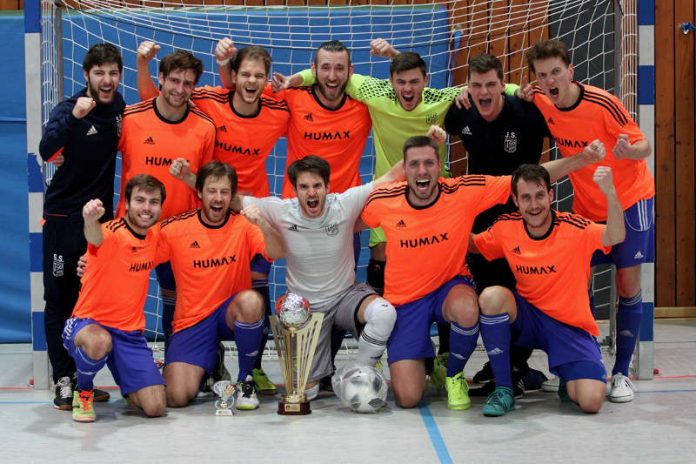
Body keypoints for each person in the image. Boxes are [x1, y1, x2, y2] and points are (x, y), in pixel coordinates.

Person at [138, 42, 288, 393]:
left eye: (259, 76)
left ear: (267, 80)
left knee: (255, 291)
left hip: (251, 211)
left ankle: (252, 370)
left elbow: (313, 102)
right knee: (177, 293)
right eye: (245, 74)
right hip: (210, 205)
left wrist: (295, 79)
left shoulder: (278, 110)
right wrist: (143, 64)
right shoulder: (208, 101)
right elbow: (155, 100)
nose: (252, 81)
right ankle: (203, 357)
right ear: (233, 77)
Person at [519, 39, 654, 402]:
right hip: (586, 205)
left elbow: (646, 146)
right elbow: (515, 91)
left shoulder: (603, 103)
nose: (550, 81)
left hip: (629, 200)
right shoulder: (541, 99)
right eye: (543, 75)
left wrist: (629, 150)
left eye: (556, 73)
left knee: (627, 285)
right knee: (577, 284)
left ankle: (622, 373)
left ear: (571, 72)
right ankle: (584, 360)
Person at [279, 38, 463, 296]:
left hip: (395, 198)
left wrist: (392, 54)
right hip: (346, 199)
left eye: (340, 69)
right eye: (326, 69)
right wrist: (293, 80)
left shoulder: (432, 98)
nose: (333, 76)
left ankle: (411, 326)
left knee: (434, 260)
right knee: (368, 262)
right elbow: (323, 74)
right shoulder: (299, 94)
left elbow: (411, 77)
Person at [360, 136, 511, 409]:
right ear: (403, 170)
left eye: (429, 163)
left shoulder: (462, 191)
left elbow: (524, 180)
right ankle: (428, 359)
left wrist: (582, 159)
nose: (422, 170)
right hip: (404, 302)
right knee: (408, 398)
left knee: (467, 309)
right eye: (414, 164)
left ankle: (454, 375)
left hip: (448, 287)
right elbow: (348, 220)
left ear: (439, 166)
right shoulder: (383, 199)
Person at [432, 52, 551, 395]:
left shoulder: (525, 111)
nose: (483, 92)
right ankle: (506, 365)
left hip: (524, 214)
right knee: (488, 292)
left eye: (490, 85)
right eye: (476, 85)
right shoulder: (461, 111)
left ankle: (517, 364)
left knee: (522, 290)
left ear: (503, 85)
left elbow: (565, 124)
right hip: (481, 218)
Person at [238, 155, 404, 398]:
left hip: (346, 295)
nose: (311, 193)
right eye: (304, 187)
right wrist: (189, 179)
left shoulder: (344, 203)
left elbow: (390, 177)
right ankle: (320, 376)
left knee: (384, 313)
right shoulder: (281, 210)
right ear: (295, 190)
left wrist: (432, 141)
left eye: (317, 186)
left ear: (327, 187)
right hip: (306, 309)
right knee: (307, 394)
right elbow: (232, 199)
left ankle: (360, 373)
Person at [471, 163, 625, 416]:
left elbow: (616, 236)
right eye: (526, 197)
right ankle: (504, 388)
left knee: (589, 401)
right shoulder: (506, 228)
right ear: (515, 201)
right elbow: (474, 245)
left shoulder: (574, 227)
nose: (534, 205)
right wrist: (439, 222)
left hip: (568, 325)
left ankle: (565, 374)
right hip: (528, 319)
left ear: (551, 196)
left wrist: (610, 192)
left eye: (540, 195)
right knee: (491, 297)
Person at [39, 43, 125, 410]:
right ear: (86, 75)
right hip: (63, 220)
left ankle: (83, 376)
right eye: (99, 73)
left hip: (99, 221)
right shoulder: (70, 108)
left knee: (88, 299)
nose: (107, 81)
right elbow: (45, 150)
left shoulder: (119, 108)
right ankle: (63, 377)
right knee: (59, 298)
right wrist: (74, 116)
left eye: (113, 73)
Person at [158, 161, 285, 410]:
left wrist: (263, 224)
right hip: (192, 321)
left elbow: (278, 251)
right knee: (177, 397)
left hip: (229, 314)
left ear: (232, 196)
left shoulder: (244, 225)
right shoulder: (174, 229)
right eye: (212, 191)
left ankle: (244, 380)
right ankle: (212, 362)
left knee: (251, 301)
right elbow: (137, 250)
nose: (218, 198)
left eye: (224, 192)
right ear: (199, 193)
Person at [118, 48, 215, 356]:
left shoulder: (204, 128)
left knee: (179, 308)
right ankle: (127, 367)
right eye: (174, 80)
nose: (180, 89)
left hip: (179, 234)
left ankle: (178, 363)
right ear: (160, 79)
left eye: (188, 84)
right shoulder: (131, 119)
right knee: (123, 304)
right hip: (131, 232)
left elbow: (208, 188)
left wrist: (189, 177)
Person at [63, 174, 167, 422]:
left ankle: (129, 377)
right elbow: (95, 236)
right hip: (87, 325)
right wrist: (89, 219)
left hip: (129, 334)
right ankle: (84, 391)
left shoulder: (155, 238)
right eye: (140, 200)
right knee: (100, 341)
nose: (146, 208)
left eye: (153, 202)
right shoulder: (112, 232)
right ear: (127, 204)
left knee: (155, 407)